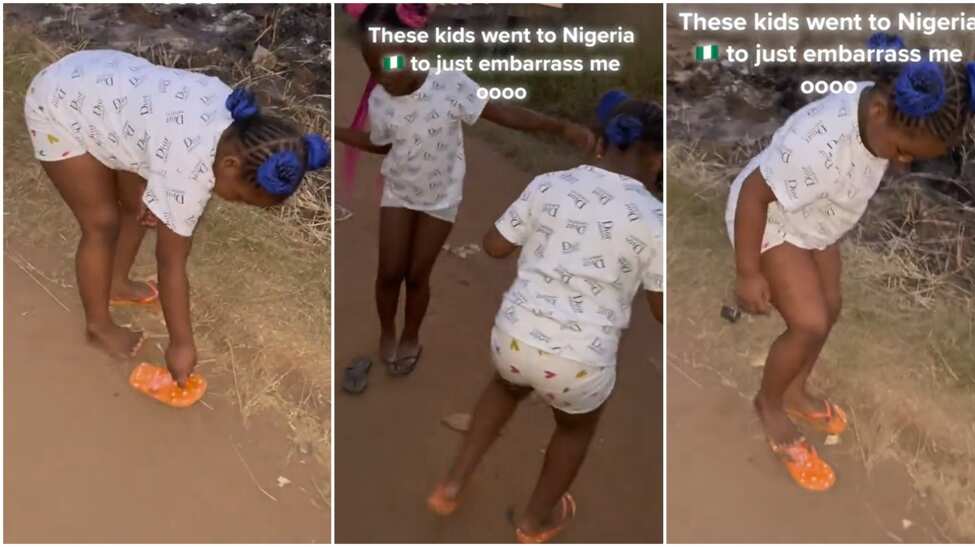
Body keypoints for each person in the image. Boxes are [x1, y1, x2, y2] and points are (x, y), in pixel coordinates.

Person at [725, 33, 975, 491]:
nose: (904, 162)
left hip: (817, 220)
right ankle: (768, 404)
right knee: (808, 321)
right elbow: (754, 195)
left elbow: (886, 151)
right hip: (772, 220)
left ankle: (794, 389)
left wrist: (899, 151)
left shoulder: (884, 118)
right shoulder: (817, 144)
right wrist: (748, 273)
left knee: (830, 306)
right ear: (877, 112)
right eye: (903, 152)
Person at [426, 90, 663, 543]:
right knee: (575, 430)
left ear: (599, 140)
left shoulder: (550, 184)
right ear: (654, 159)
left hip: (513, 339)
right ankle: (533, 521)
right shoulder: (654, 219)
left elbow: (494, 246)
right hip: (579, 363)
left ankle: (451, 484)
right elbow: (660, 310)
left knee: (503, 388)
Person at [25, 49, 330, 389]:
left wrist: (156, 190)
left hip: (103, 86)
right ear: (228, 166)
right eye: (242, 197)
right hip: (58, 105)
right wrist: (181, 343)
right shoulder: (188, 171)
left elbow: (160, 134)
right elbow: (171, 263)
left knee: (135, 203)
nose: (237, 204)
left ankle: (116, 283)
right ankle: (98, 327)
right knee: (101, 223)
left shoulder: (233, 115)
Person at [335, 3, 594, 379]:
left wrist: (560, 128)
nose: (382, 78)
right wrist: (339, 132)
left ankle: (411, 334)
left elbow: (503, 113)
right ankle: (388, 330)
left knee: (417, 276)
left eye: (388, 65)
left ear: (416, 46)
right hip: (399, 192)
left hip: (440, 199)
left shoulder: (450, 83)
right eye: (372, 68)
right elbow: (382, 143)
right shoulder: (380, 99)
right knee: (389, 272)